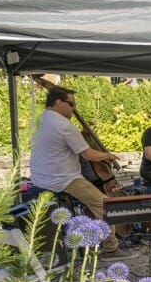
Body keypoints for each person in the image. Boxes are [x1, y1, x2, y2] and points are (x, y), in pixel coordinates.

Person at [28, 85, 131, 260]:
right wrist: (108, 155)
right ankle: (111, 249)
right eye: (71, 104)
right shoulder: (64, 125)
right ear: (58, 102)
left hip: (39, 177)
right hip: (63, 178)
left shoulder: (38, 120)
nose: (74, 109)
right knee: (105, 204)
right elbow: (87, 153)